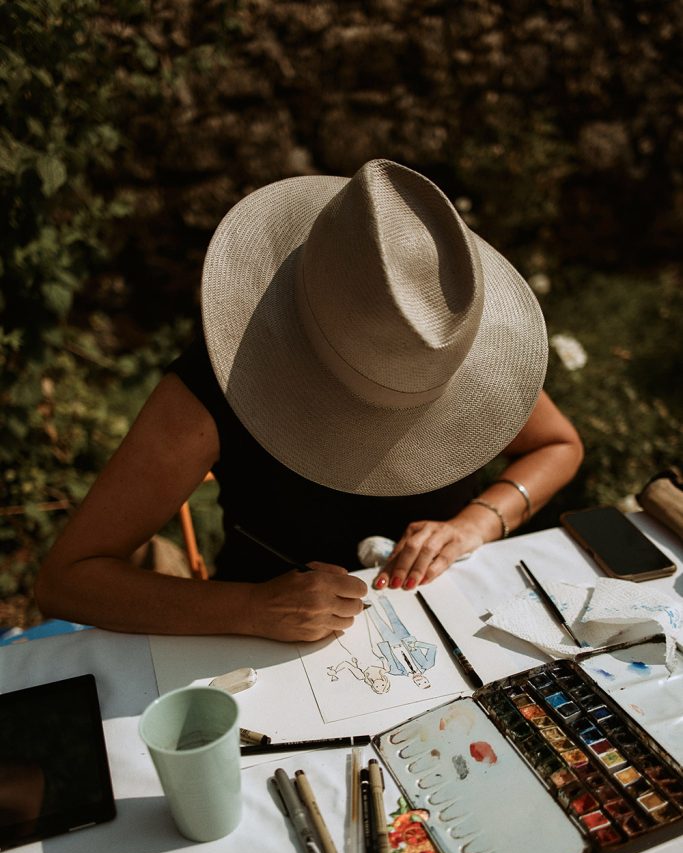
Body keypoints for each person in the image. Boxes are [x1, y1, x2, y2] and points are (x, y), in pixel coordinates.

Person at [35, 159, 583, 642]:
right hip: (260, 649)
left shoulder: (446, 345)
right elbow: (68, 580)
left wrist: (477, 523)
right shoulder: (213, 388)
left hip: (442, 627)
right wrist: (250, 608)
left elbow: (559, 445)